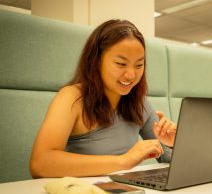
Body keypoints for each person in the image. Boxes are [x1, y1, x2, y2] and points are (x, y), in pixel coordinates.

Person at [29, 19, 176, 178]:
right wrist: (123, 161)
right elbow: (40, 164)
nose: (131, 75)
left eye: (139, 65)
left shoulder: (139, 102)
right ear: (96, 61)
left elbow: (166, 156)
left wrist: (173, 143)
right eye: (121, 64)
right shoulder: (72, 97)